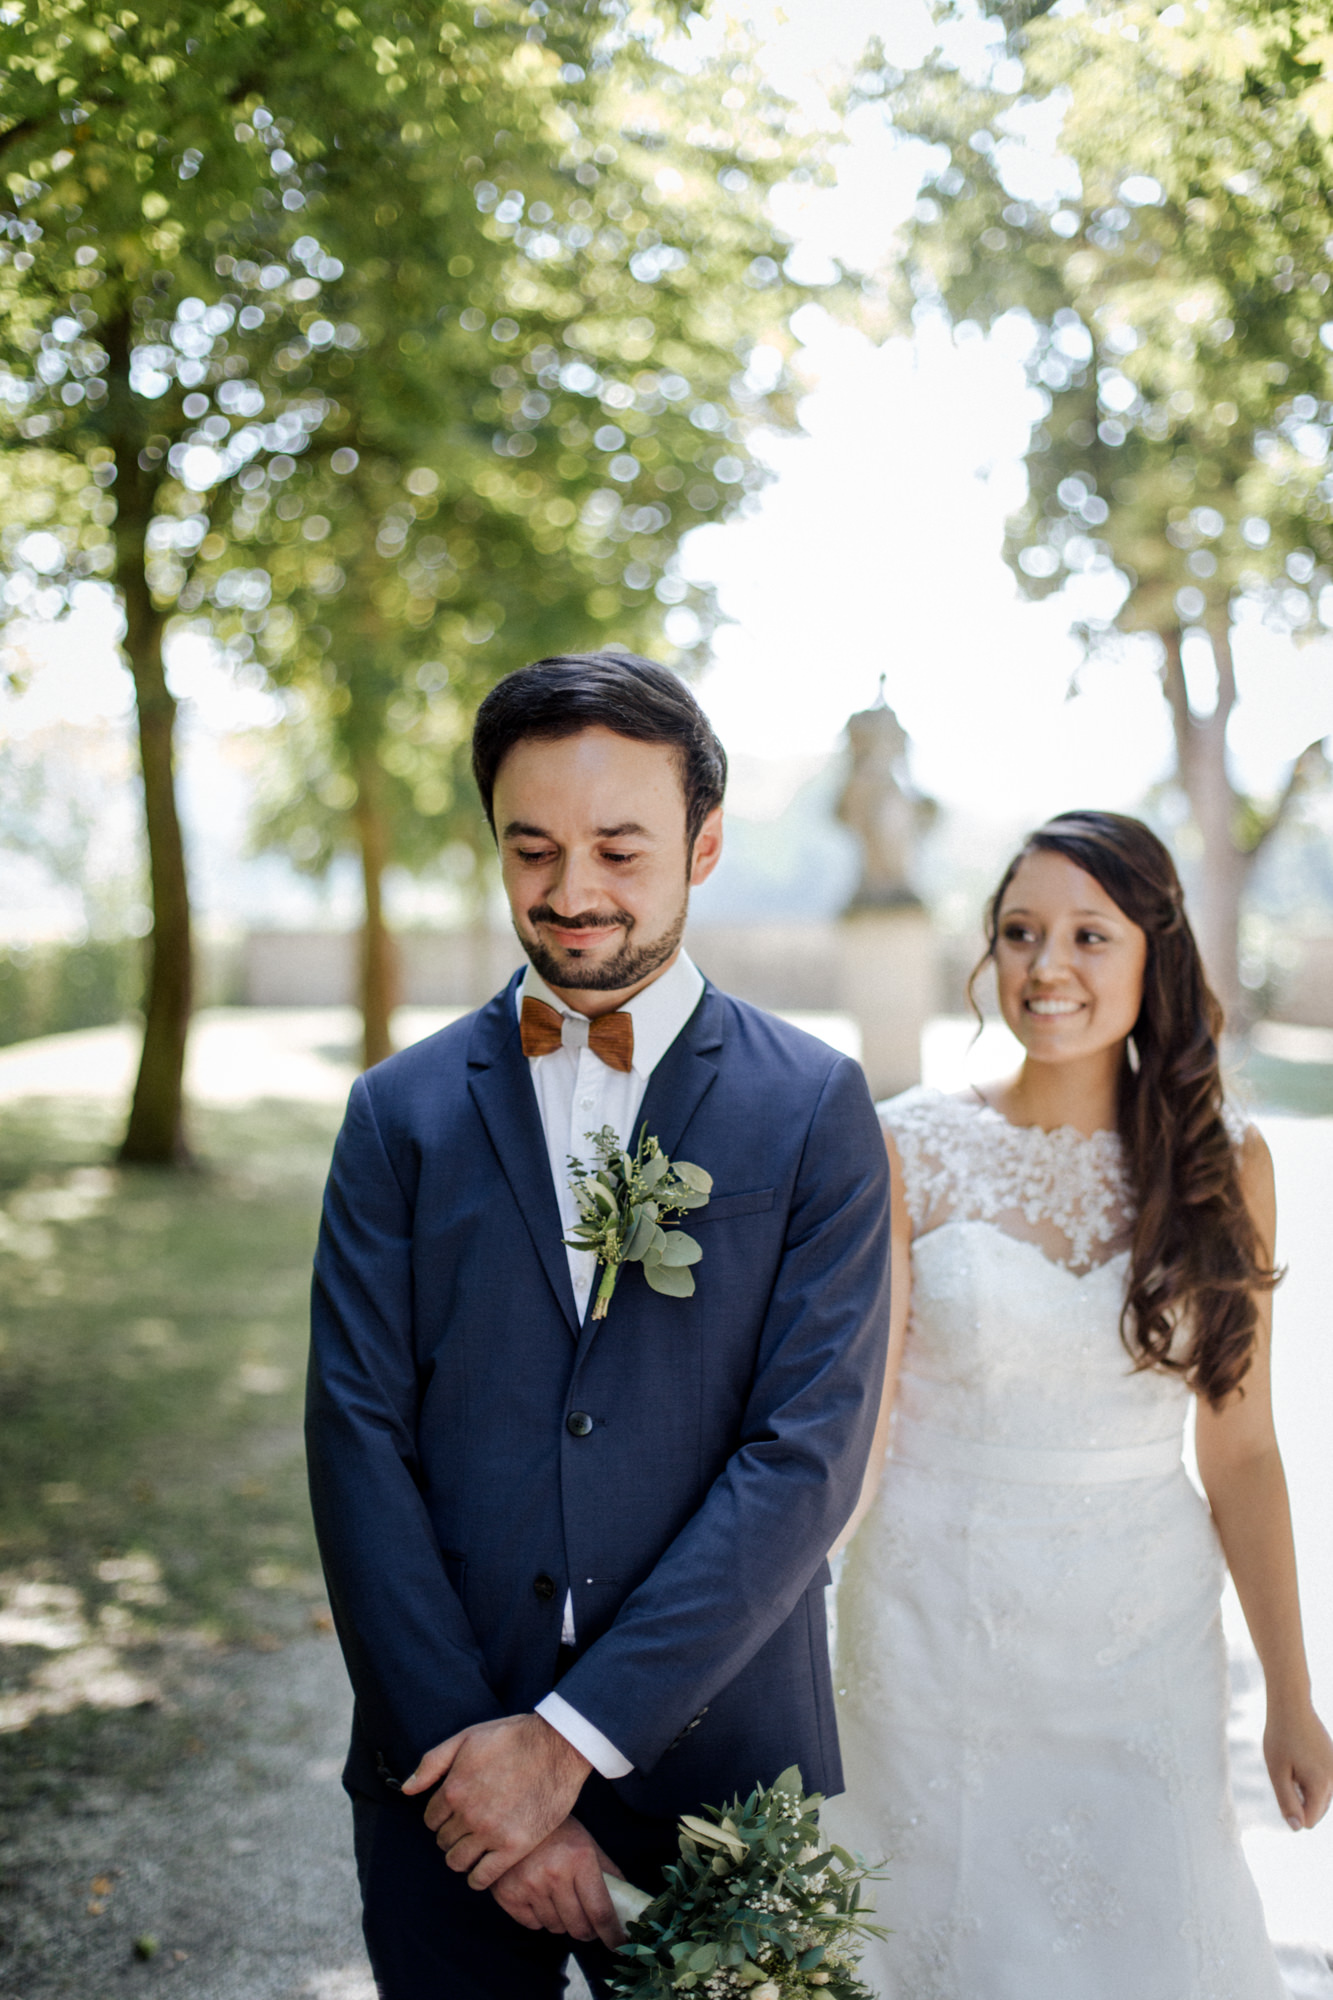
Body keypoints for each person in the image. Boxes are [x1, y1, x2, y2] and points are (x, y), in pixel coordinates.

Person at [305, 650, 892, 1998]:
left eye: (621, 852)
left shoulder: (812, 1110)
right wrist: (480, 1770)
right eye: (533, 851)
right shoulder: (396, 1116)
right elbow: (354, 1436)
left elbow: (806, 1456)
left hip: (717, 1767)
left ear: (705, 842)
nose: (572, 894)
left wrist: (565, 1744)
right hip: (438, 1781)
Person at [826, 810, 1333, 2000]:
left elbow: (1244, 1451)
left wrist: (1294, 1696)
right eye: (1019, 931)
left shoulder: (1225, 1163)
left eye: (1088, 935)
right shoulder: (907, 1144)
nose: (1046, 965)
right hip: (924, 1623)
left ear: (1154, 953)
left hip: (1136, 1637)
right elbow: (860, 1420)